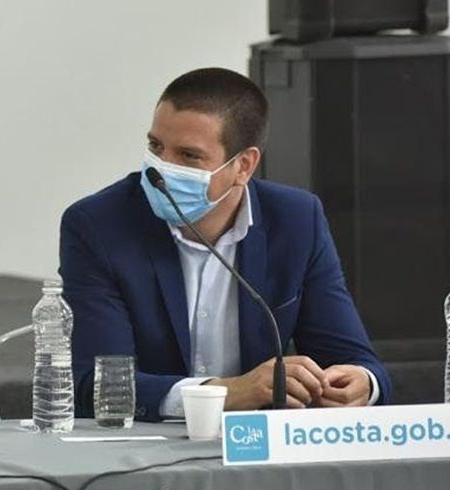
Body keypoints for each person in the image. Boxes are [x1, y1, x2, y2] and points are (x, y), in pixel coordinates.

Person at [59, 68, 390, 421]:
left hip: (258, 442)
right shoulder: (98, 225)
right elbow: (96, 386)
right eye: (156, 147)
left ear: (243, 166)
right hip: (142, 443)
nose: (161, 170)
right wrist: (226, 393)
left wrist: (361, 384)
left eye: (188, 155)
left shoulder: (296, 220)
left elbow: (356, 360)